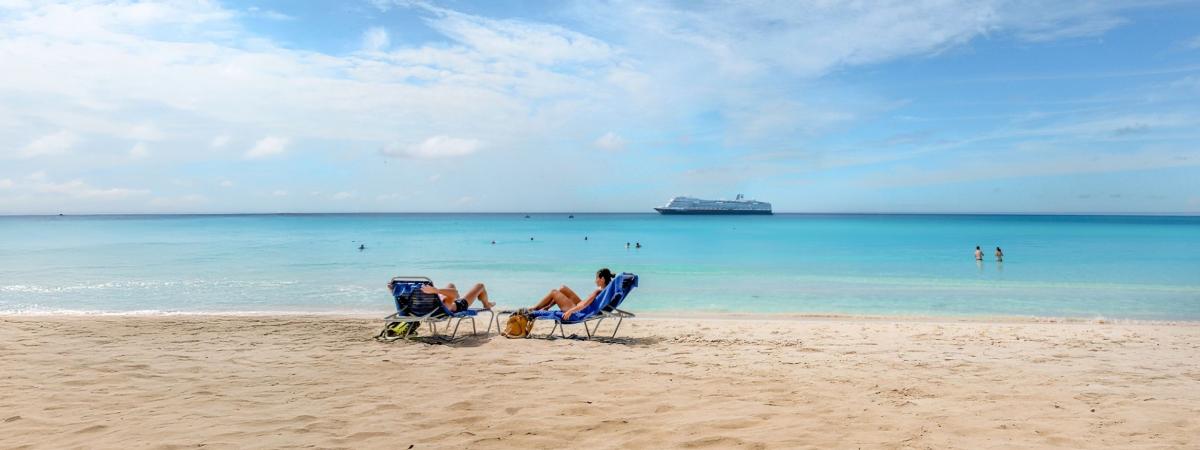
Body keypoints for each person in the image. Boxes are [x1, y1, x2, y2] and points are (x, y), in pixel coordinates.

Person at [529, 268, 614, 320]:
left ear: (602, 279)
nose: (595, 281)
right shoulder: (607, 290)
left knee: (554, 292)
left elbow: (584, 305)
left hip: (579, 311)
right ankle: (547, 307)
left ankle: (535, 309)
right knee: (562, 288)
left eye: (596, 278)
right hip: (583, 308)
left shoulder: (598, 291)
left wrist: (570, 311)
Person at [389, 280, 494, 312]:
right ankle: (486, 304)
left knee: (451, 284)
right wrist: (436, 290)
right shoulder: (442, 304)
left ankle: (454, 295)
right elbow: (454, 293)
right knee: (480, 286)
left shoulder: (415, 305)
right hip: (458, 306)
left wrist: (392, 289)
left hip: (438, 305)